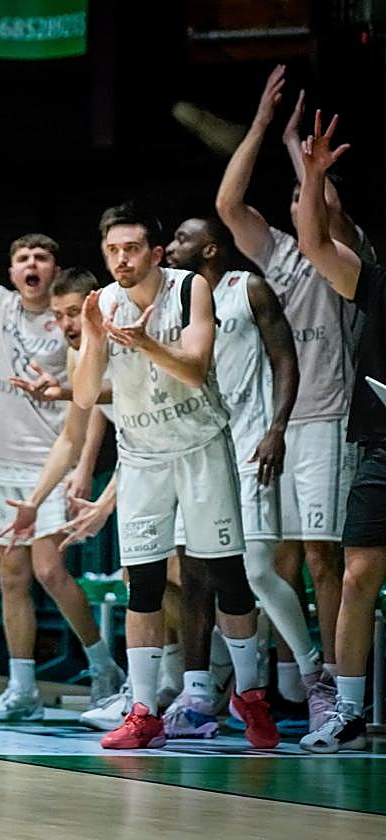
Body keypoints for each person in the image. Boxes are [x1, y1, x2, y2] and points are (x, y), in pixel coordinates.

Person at [73, 202, 277, 750]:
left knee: (226, 574)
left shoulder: (190, 289)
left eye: (131, 248)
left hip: (201, 446)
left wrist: (146, 343)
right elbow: (86, 395)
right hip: (142, 456)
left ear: (156, 253)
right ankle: (143, 711)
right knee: (141, 582)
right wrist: (92, 337)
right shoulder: (104, 303)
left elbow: (194, 368)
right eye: (112, 251)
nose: (121, 259)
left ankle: (250, 694)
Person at [0, 162, 123, 722]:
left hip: (52, 465)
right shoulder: (1, 307)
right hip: (4, 465)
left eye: (41, 257)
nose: (31, 264)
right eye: (23, 258)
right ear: (12, 272)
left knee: (50, 571)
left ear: (55, 270)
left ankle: (104, 668)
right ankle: (22, 690)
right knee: (10, 575)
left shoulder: (76, 322)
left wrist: (84, 465)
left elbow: (97, 404)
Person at [216, 67, 372, 710]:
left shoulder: (349, 252)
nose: (307, 200)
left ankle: (335, 681)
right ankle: (293, 679)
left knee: (320, 557)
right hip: (270, 425)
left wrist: (302, 158)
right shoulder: (276, 255)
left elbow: (327, 211)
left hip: (329, 419)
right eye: (298, 194)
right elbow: (228, 206)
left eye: (315, 191)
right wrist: (262, 127)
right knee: (272, 559)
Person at [160, 216, 326, 740]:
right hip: (195, 452)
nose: (171, 247)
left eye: (182, 239)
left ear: (210, 249)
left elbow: (285, 359)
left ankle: (315, 680)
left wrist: (278, 428)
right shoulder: (174, 301)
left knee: (255, 569)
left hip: (251, 446)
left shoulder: (246, 288)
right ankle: (199, 693)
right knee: (194, 576)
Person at [295, 113, 386, 752]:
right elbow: (314, 244)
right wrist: (312, 175)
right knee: (356, 577)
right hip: (381, 450)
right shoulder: (377, 283)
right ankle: (349, 711)